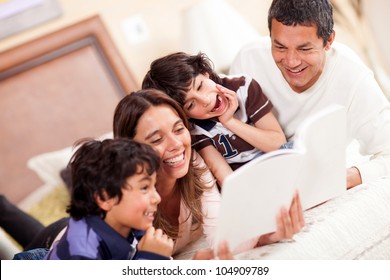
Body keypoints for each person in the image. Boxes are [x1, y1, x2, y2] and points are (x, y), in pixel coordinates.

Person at [113, 88, 304, 255]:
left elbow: (222, 238)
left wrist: (268, 235)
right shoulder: (123, 199)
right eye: (156, 140)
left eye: (179, 129)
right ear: (130, 149)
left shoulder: (194, 164)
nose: (176, 144)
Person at [229, 0, 390, 189]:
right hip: (257, 178)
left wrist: (344, 178)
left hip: (315, 177)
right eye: (279, 46)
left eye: (304, 49)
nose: (291, 61)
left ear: (329, 40)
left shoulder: (354, 77)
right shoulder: (249, 59)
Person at [142, 52, 289, 187]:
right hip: (244, 179)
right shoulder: (192, 128)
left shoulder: (243, 87)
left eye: (200, 86)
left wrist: (231, 122)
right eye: (191, 104)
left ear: (206, 74)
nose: (205, 100)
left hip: (277, 161)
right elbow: (224, 175)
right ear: (184, 114)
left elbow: (278, 144)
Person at [43, 138, 173, 260]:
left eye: (154, 186)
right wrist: (150, 259)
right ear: (104, 198)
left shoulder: (128, 221)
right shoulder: (83, 253)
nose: (157, 198)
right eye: (144, 187)